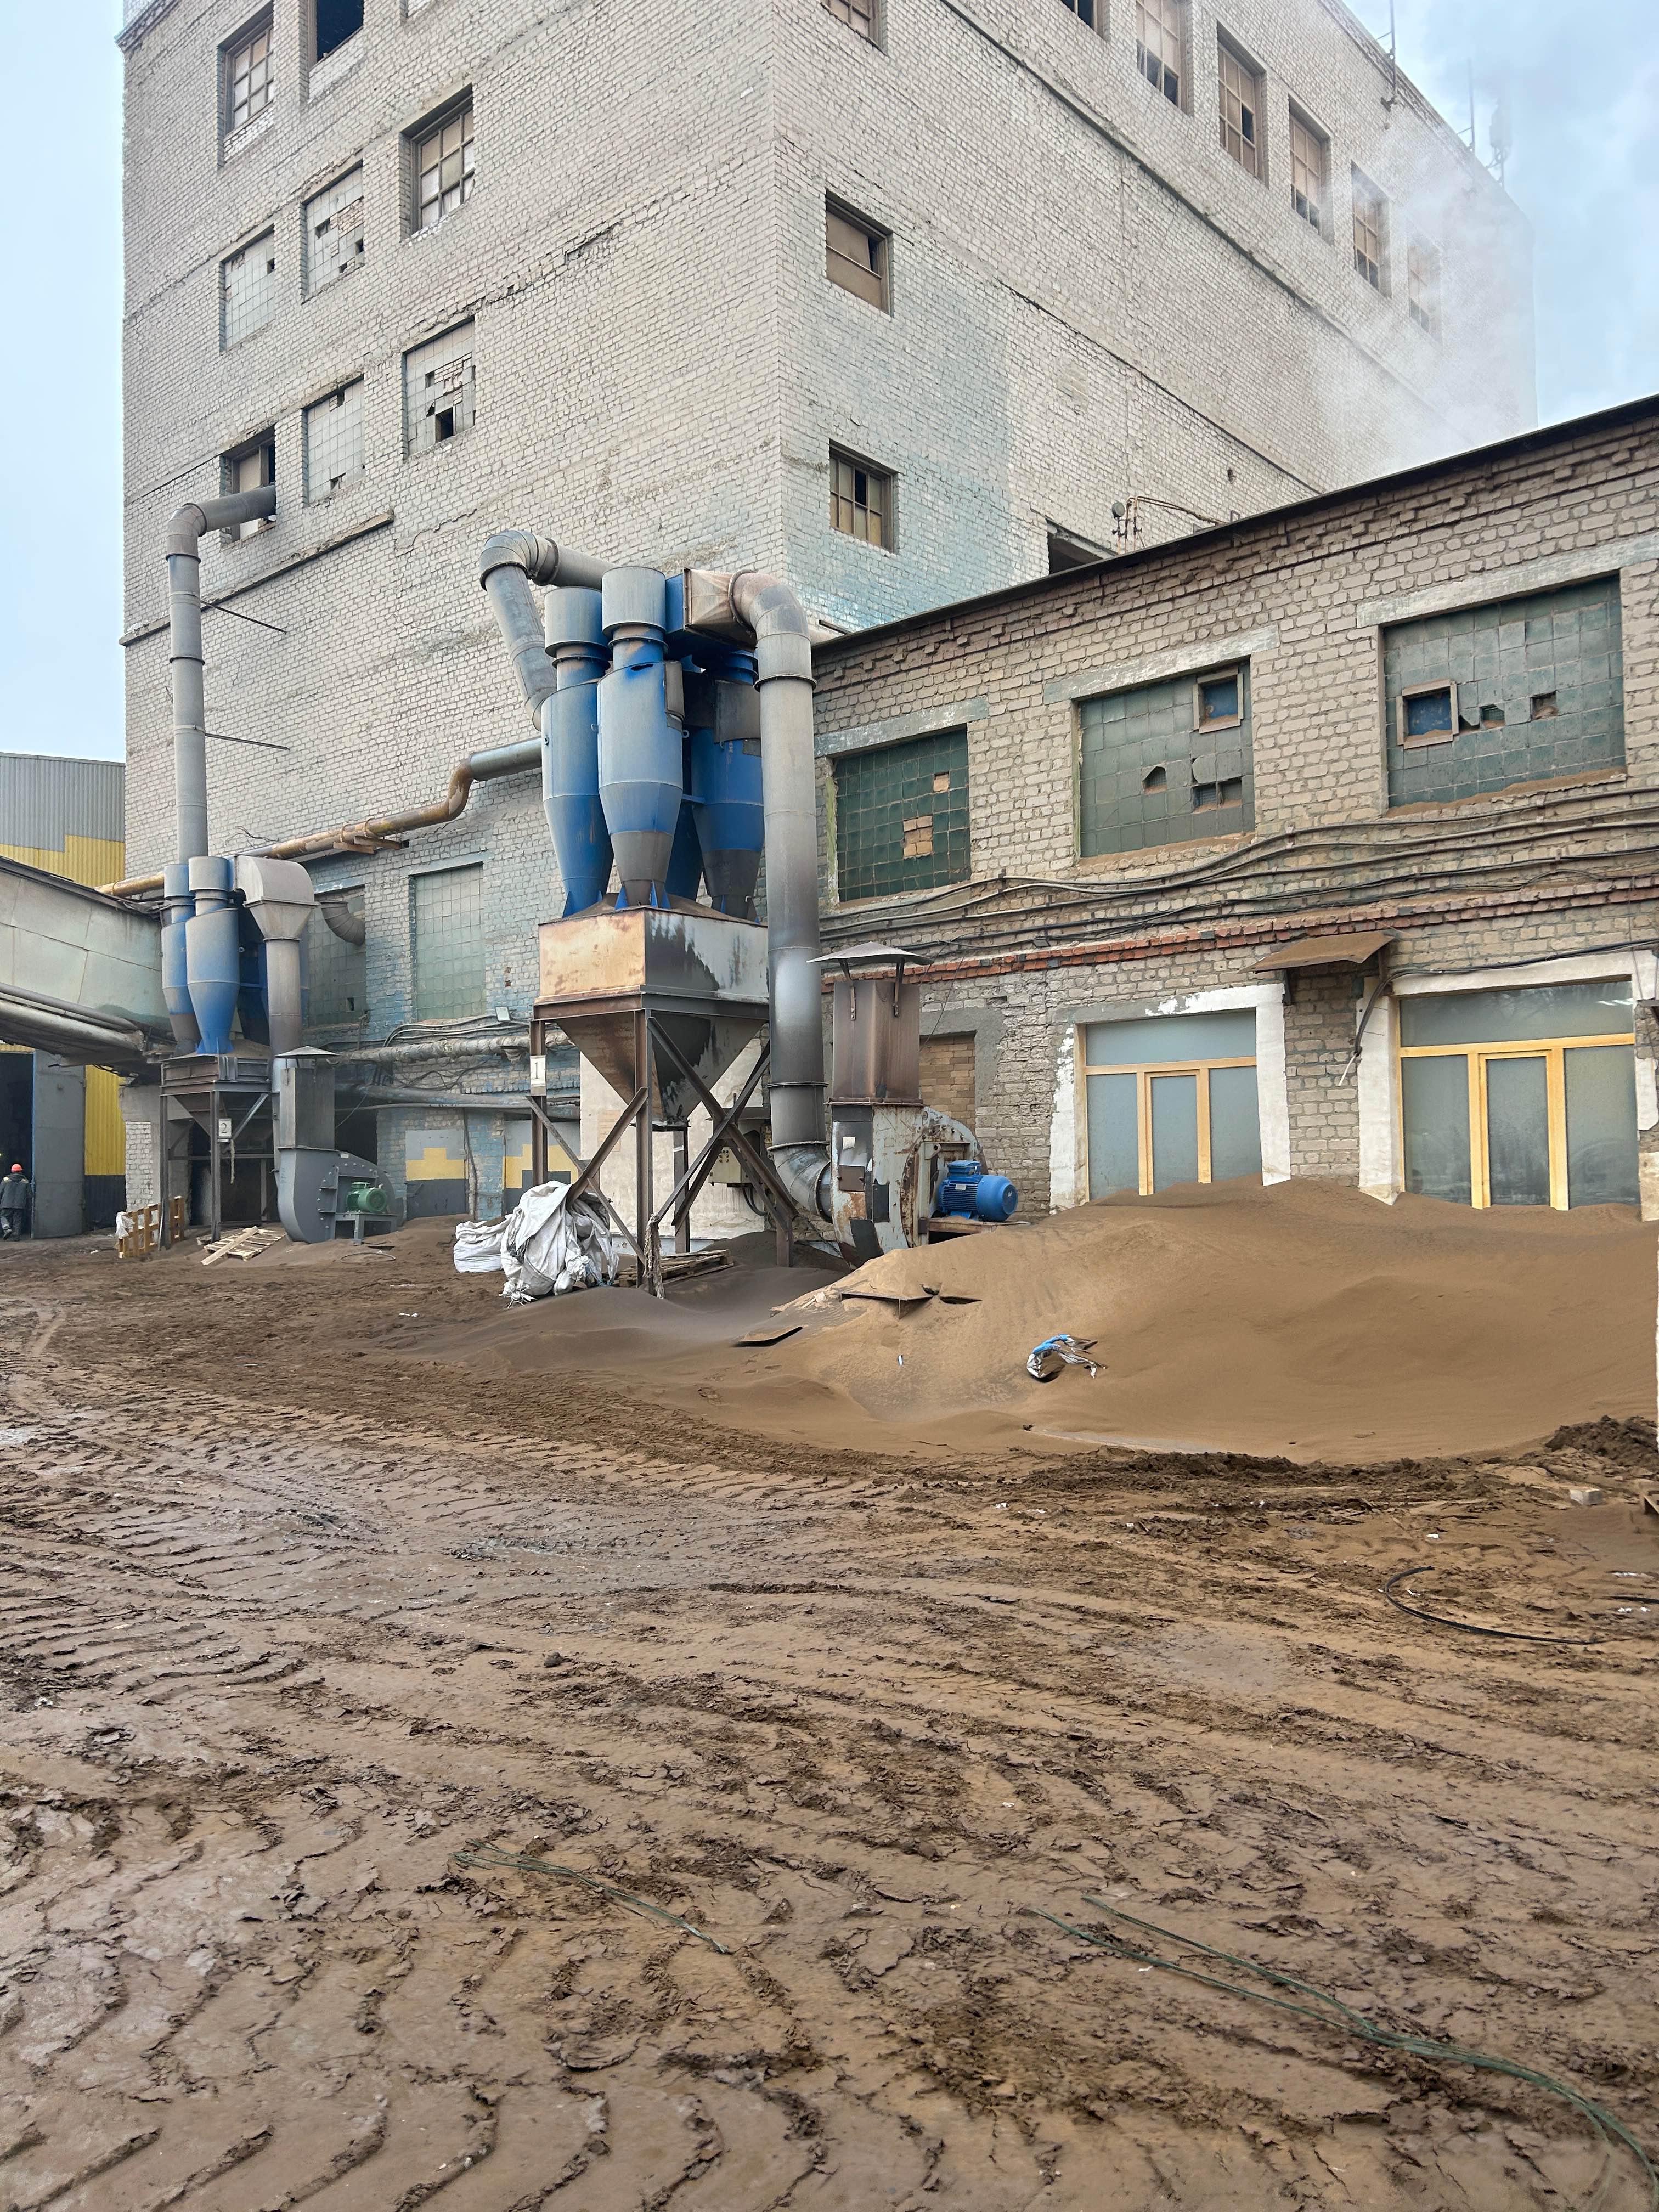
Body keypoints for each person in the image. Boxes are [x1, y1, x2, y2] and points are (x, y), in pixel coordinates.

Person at [0, 1164, 31, 1239]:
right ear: (21, 1171)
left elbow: (1, 1192)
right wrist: (29, 1206)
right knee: (17, 1220)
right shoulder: (25, 1182)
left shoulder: (6, 1180)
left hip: (6, 1204)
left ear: (12, 1171)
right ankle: (16, 1236)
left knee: (4, 1217)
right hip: (20, 1204)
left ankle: (7, 1229)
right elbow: (29, 1195)